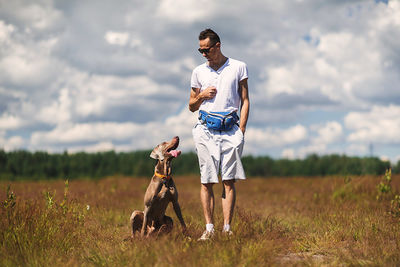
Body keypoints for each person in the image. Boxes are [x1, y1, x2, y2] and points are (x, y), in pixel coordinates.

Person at [188, 28, 250, 240]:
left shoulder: (238, 67)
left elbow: (245, 100)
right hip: (205, 130)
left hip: (231, 130)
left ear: (217, 46)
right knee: (206, 181)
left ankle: (227, 229)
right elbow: (191, 106)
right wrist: (203, 95)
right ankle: (209, 229)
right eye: (200, 51)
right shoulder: (198, 72)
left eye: (206, 50)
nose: (204, 54)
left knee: (229, 181)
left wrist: (241, 130)